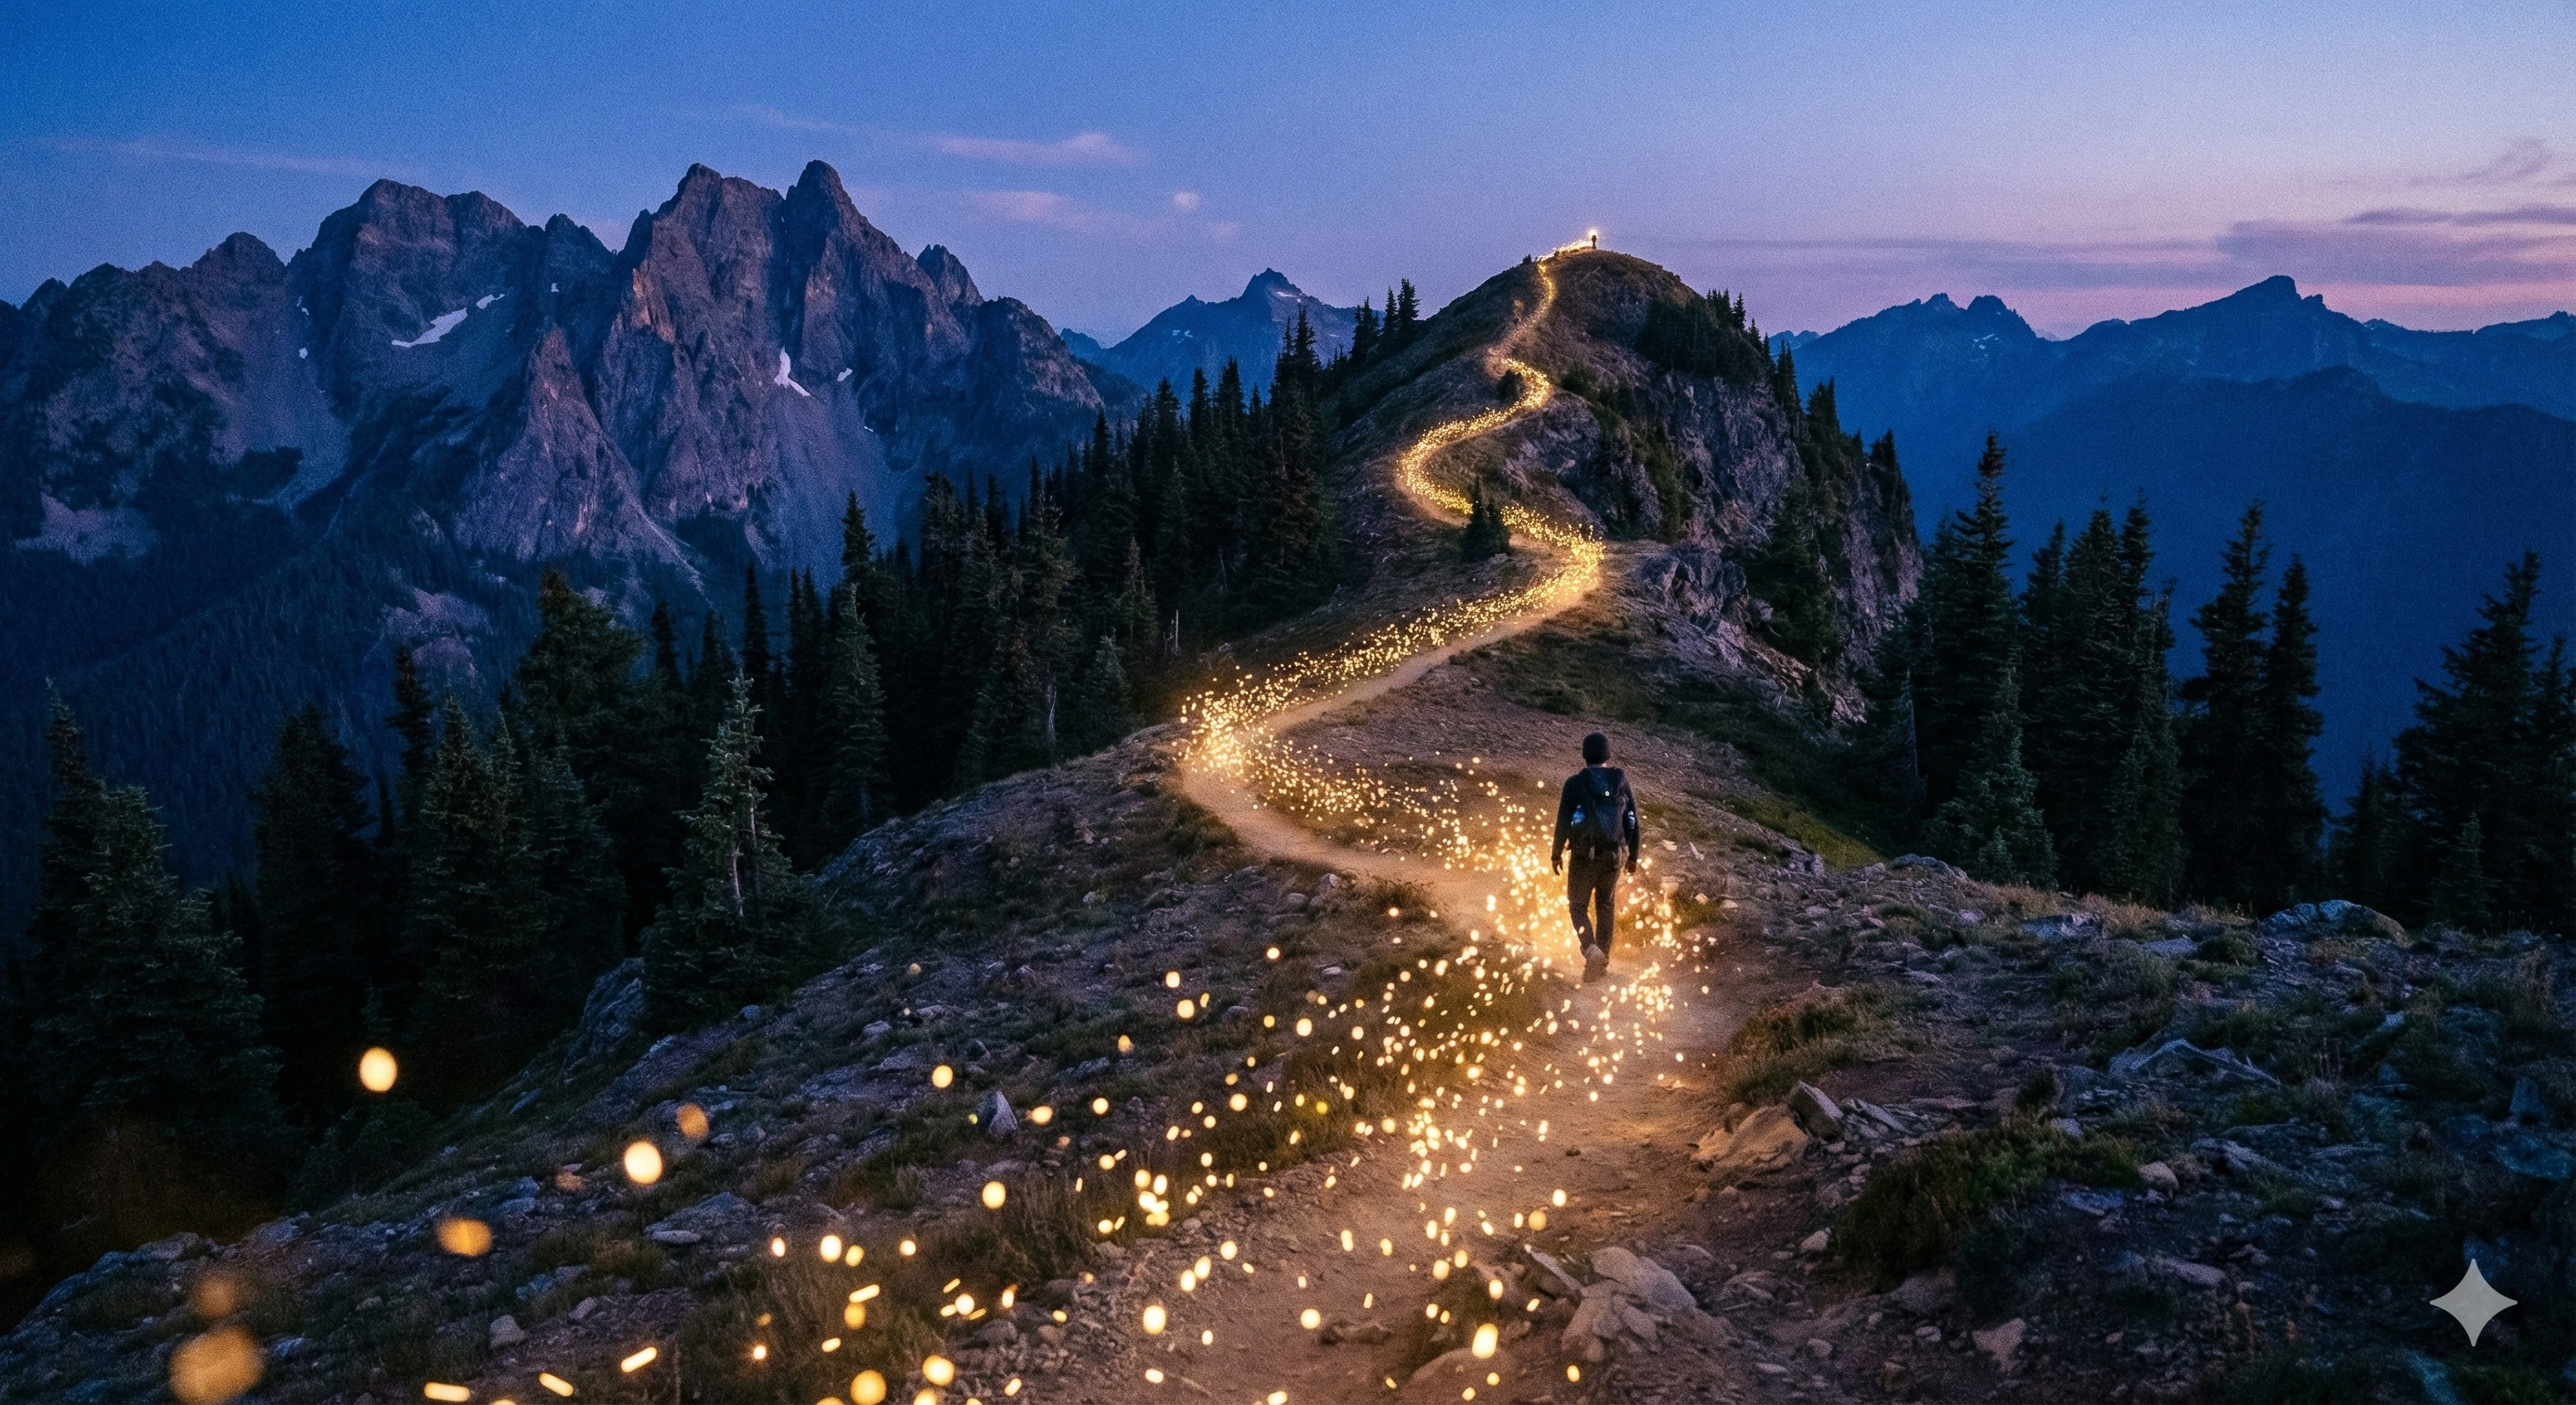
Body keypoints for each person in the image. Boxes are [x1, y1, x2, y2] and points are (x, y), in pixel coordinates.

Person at [1550, 732, 1639, 981]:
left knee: (1577, 906)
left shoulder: (1575, 783)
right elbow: (1632, 818)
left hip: (1583, 857)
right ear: (1608, 754)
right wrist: (1633, 855)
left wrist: (1555, 854)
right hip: (1614, 857)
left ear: (1584, 755)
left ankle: (1591, 951)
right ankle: (1602, 962)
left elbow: (1563, 821)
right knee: (1605, 906)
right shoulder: (1621, 780)